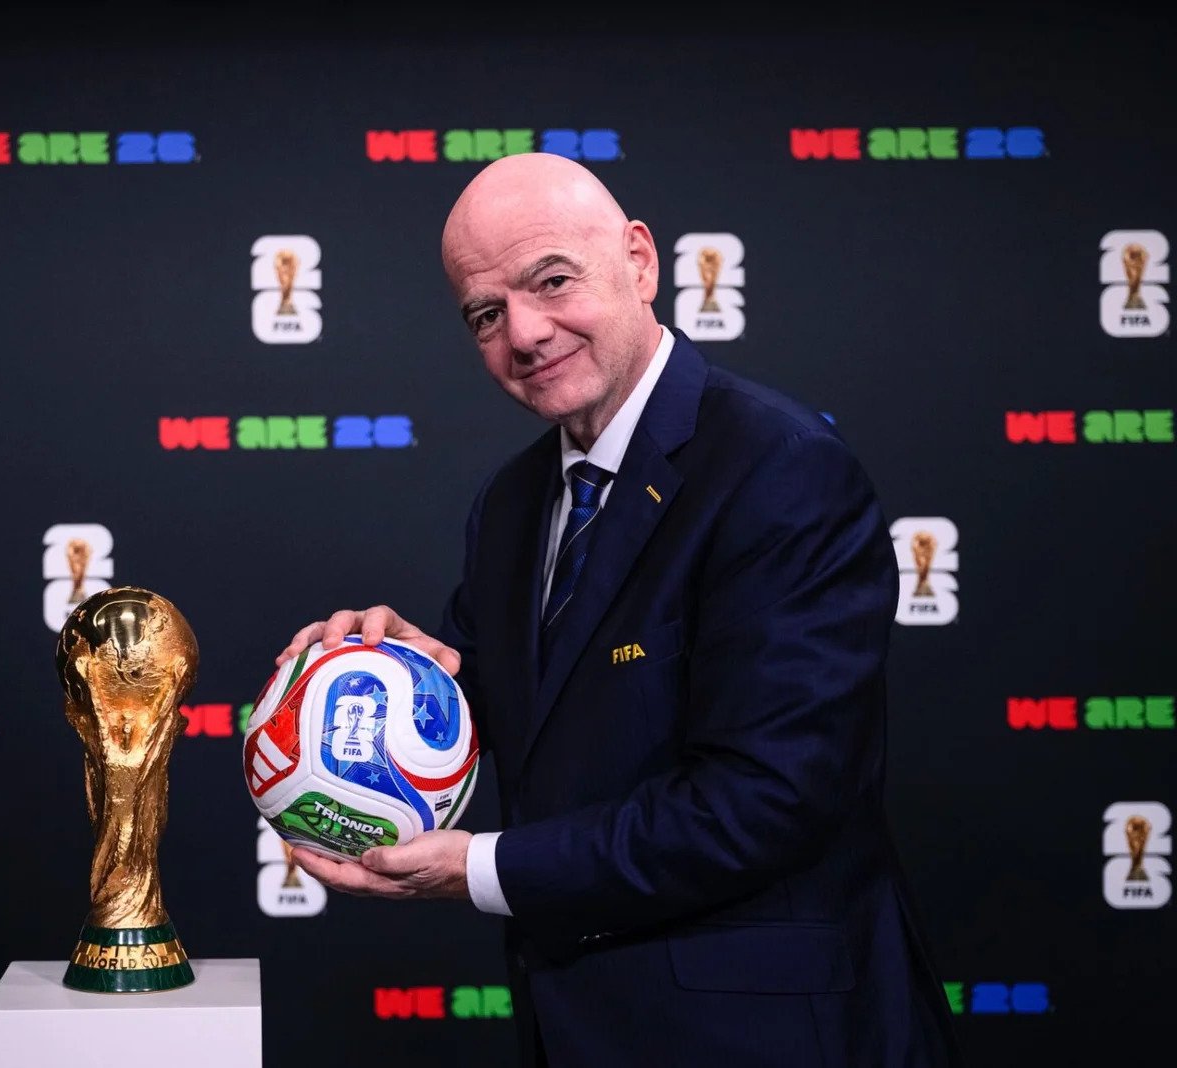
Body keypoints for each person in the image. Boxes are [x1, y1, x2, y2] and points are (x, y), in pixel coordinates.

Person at [277, 152, 962, 1067]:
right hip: (578, 1030)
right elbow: (524, 710)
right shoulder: (513, 501)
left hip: (762, 1037)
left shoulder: (780, 469)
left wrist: (479, 868)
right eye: (486, 314)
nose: (524, 333)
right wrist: (396, 674)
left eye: (551, 281)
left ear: (639, 261)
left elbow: (765, 800)